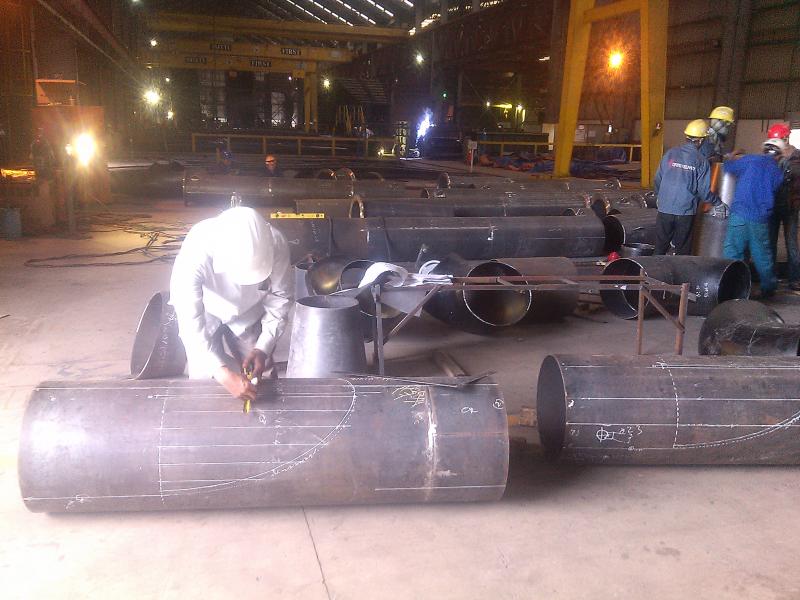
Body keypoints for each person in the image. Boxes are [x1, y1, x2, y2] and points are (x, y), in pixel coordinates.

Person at [169, 207, 293, 401]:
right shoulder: (196, 250)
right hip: (207, 310)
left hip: (250, 311)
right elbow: (188, 318)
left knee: (261, 377)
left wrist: (263, 348)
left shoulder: (275, 243)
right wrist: (221, 372)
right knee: (205, 380)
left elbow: (280, 298)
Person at [722, 140, 786, 299]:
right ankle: (768, 289)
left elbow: (728, 168)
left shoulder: (749, 159)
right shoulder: (777, 172)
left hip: (739, 215)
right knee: (762, 256)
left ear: (763, 150)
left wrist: (731, 156)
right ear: (778, 156)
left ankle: (733, 290)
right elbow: (775, 188)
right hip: (760, 219)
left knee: (733, 253)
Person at [652, 119, 714, 255]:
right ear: (701, 140)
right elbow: (704, 191)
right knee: (682, 250)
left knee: (660, 247)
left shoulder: (670, 153)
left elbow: (657, 179)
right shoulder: (702, 161)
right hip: (685, 212)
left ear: (687, 136)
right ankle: (679, 268)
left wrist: (659, 197)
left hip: (665, 208)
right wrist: (717, 203)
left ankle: (654, 267)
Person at [767, 123, 800, 290]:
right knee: (770, 243)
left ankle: (794, 279)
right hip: (772, 206)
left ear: (785, 139)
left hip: (790, 206)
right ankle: (771, 278)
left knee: (791, 243)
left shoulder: (797, 157)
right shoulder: (770, 157)